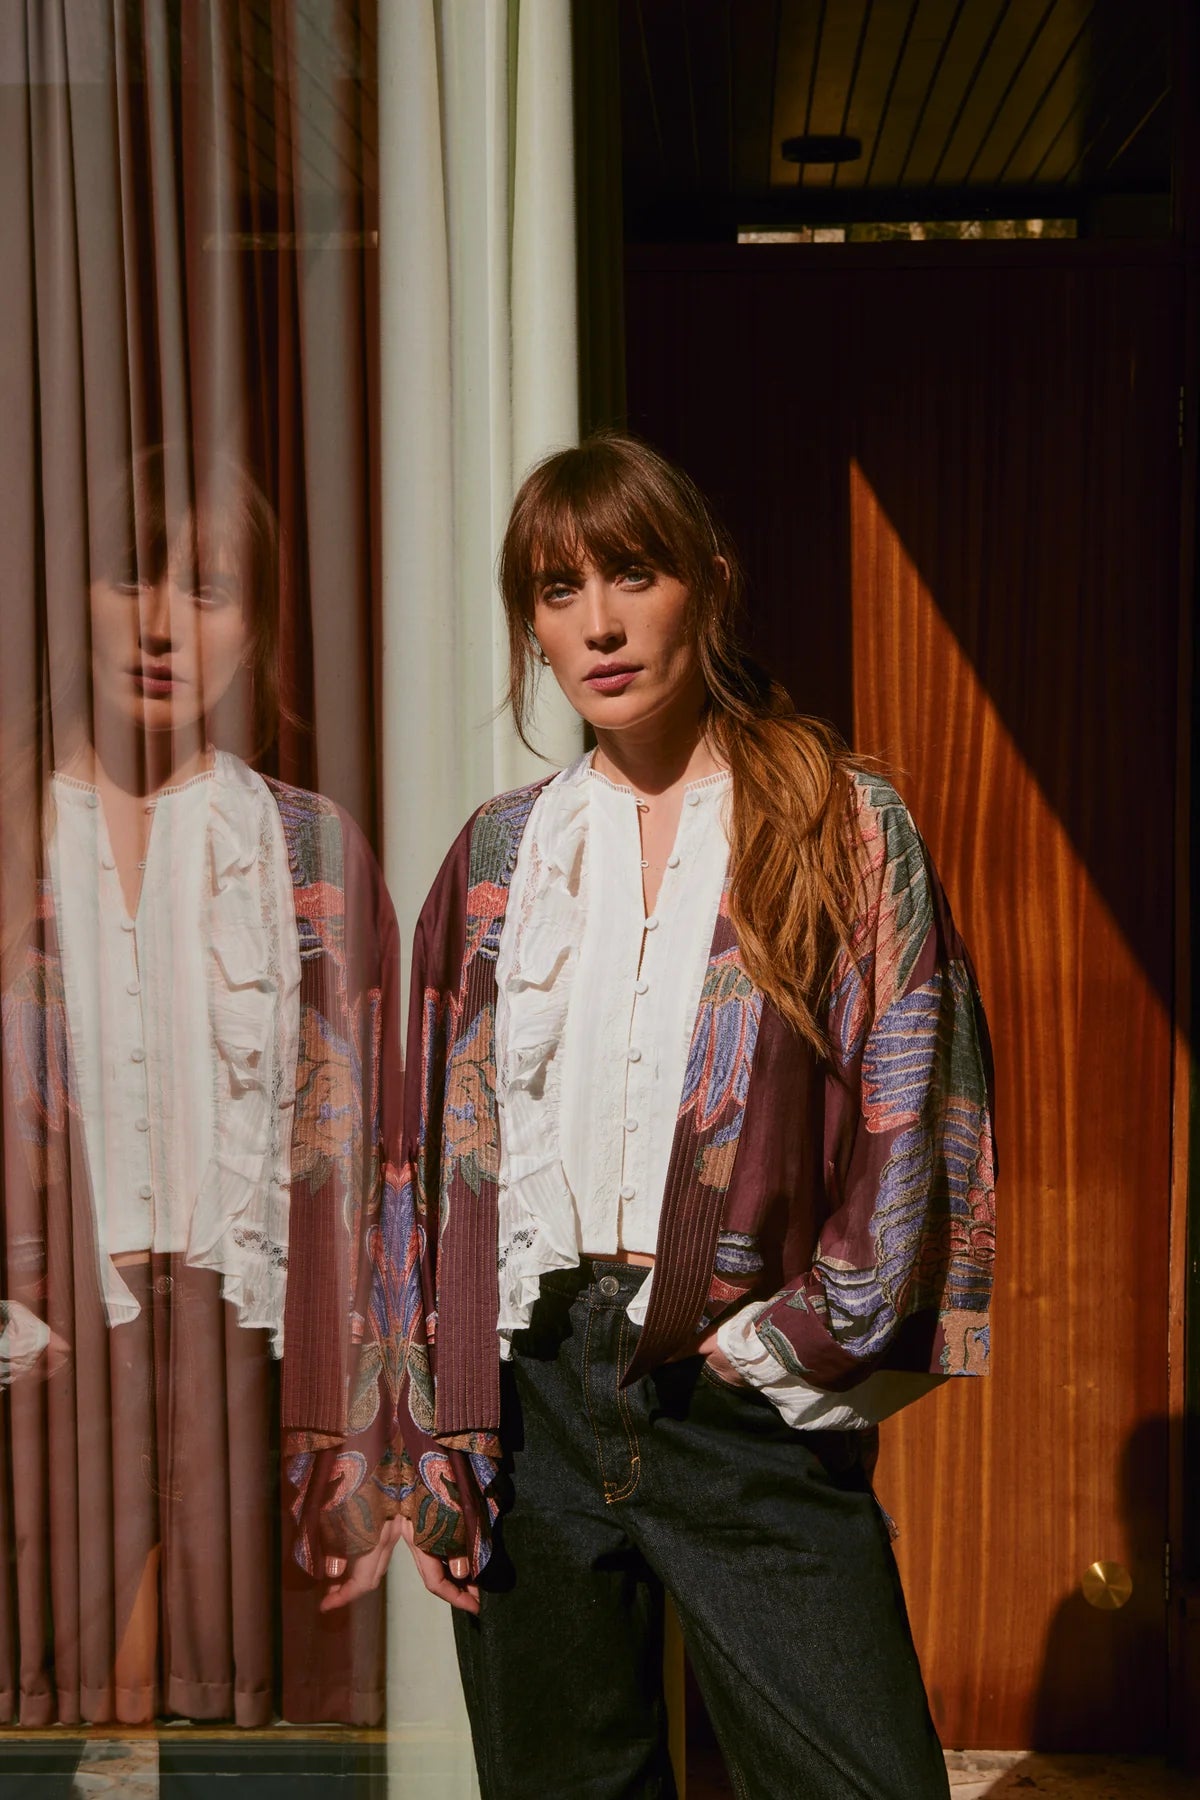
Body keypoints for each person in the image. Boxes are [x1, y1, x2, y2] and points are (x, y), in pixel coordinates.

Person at [328, 433, 996, 1798]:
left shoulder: (838, 825)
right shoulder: (501, 854)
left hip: (736, 1389)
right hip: (529, 1408)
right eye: (558, 590)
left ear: (711, 583)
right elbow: (428, 1156)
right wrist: (436, 1429)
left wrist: (791, 1344)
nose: (600, 623)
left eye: (633, 574)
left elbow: (921, 1105)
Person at [0, 445, 396, 1732]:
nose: (163, 623)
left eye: (209, 590)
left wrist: (375, 1435)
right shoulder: (5, 829)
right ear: (76, 595)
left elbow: (377, 1156)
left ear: (258, 632)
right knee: (43, 1735)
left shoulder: (304, 849)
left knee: (258, 1738)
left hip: (251, 1362)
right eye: (132, 575)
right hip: (37, 1368)